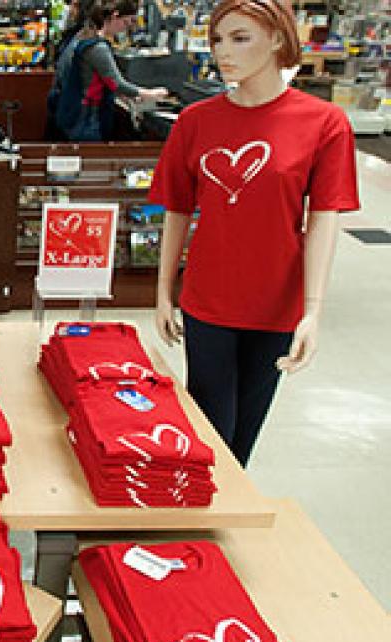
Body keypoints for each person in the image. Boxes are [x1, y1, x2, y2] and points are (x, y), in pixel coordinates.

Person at [149, 0, 358, 466]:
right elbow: (178, 210)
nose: (224, 52)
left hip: (277, 304)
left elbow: (324, 216)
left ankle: (213, 528)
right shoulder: (195, 121)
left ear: (278, 40)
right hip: (209, 297)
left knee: (243, 438)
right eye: (218, 40)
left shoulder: (324, 123)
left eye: (240, 38)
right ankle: (199, 517)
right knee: (210, 430)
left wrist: (314, 311)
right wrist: (163, 291)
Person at [49, 0, 167, 141]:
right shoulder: (98, 47)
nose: (125, 29)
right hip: (86, 117)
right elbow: (116, 83)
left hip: (72, 111)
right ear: (115, 15)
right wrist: (151, 94)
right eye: (126, 22)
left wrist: (126, 95)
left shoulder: (82, 36)